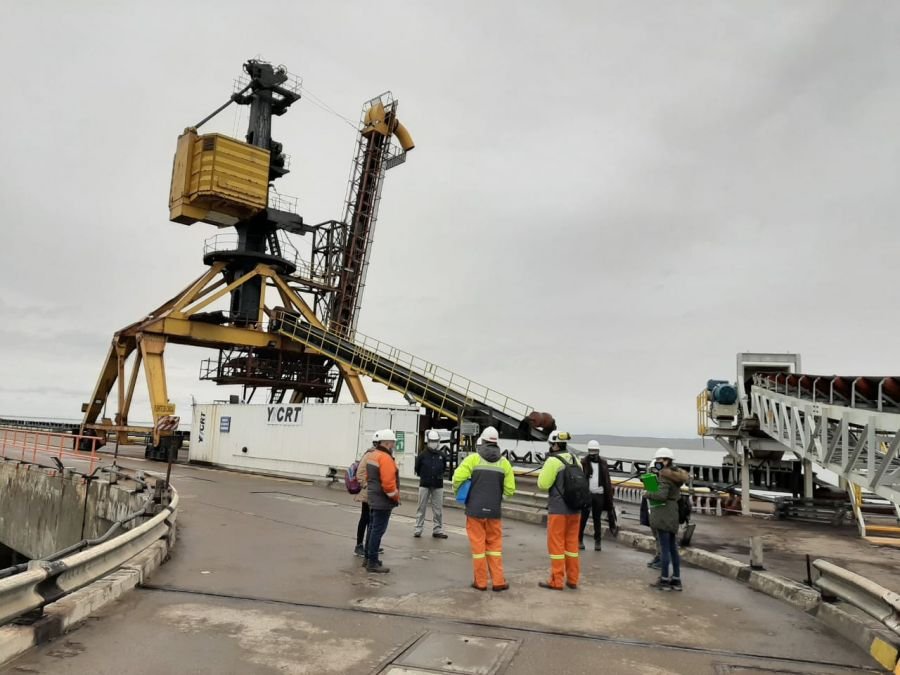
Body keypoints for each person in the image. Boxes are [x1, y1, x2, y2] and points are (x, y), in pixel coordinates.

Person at [452, 426, 516, 591]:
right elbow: (510, 490)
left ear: (482, 442)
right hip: (494, 511)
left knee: (478, 547)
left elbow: (457, 478)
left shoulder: (473, 459)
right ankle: (498, 581)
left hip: (475, 510)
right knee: (494, 547)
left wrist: (459, 492)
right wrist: (498, 498)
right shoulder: (504, 463)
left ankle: (480, 582)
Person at [536, 430, 581, 590]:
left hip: (558, 510)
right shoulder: (576, 459)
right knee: (572, 546)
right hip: (575, 509)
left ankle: (556, 580)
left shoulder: (553, 461)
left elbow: (543, 484)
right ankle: (573, 579)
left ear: (554, 444)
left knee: (556, 546)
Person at [644, 447, 690, 591]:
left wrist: (648, 493)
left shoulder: (664, 476)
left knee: (664, 549)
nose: (658, 462)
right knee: (672, 548)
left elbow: (661, 495)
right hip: (673, 513)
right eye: (657, 460)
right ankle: (676, 579)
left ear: (666, 460)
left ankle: (664, 580)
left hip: (663, 513)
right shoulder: (676, 475)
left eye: (660, 459)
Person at [364, 429, 401, 573]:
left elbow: (369, 477)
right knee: (378, 530)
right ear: (386, 443)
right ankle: (372, 562)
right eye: (392, 442)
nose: (393, 445)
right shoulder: (385, 458)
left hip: (374, 497)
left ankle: (368, 558)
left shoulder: (373, 455)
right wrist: (395, 496)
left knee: (372, 528)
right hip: (383, 500)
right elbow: (388, 484)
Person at [579, 440, 617, 551]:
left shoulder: (603, 463)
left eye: (595, 451)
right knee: (583, 519)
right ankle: (579, 539)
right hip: (587, 495)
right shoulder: (583, 462)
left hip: (599, 495)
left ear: (598, 451)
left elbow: (607, 480)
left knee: (597, 519)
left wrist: (608, 495)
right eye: (591, 450)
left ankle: (598, 542)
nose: (593, 453)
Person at [414, 429, 448, 539]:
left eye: (436, 441)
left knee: (438, 509)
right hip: (424, 484)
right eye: (432, 441)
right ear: (428, 441)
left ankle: (437, 529)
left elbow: (443, 468)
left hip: (438, 485)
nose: (434, 443)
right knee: (421, 507)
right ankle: (418, 529)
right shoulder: (422, 455)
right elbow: (417, 469)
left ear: (438, 441)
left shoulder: (442, 455)